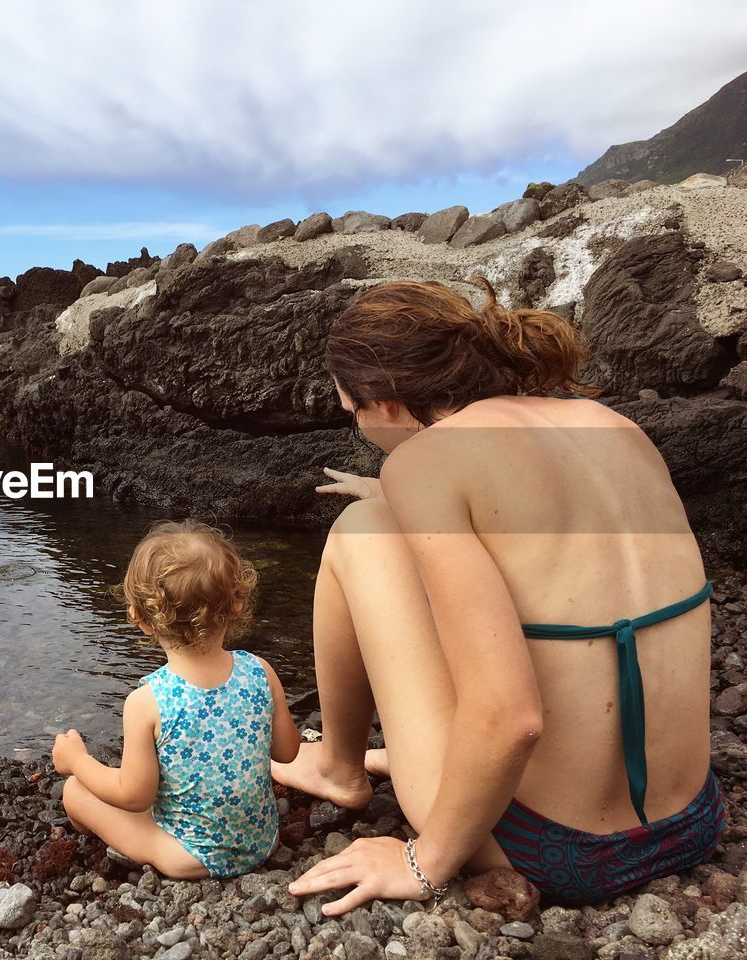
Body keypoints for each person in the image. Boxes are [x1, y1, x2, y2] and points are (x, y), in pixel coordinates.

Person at [272, 278, 723, 913]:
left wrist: (421, 863)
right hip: (692, 820)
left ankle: (337, 768)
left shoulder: (428, 460)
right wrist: (401, 497)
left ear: (386, 402)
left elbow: (513, 717)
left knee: (359, 531)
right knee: (387, 521)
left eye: (355, 413)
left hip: (563, 850)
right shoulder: (614, 426)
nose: (361, 428)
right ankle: (350, 763)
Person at [53, 520, 301, 878]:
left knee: (76, 791)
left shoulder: (147, 701)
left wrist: (76, 761)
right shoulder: (260, 670)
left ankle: (84, 829)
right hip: (262, 839)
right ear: (236, 602)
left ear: (141, 618)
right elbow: (288, 752)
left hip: (191, 856)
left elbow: (133, 795)